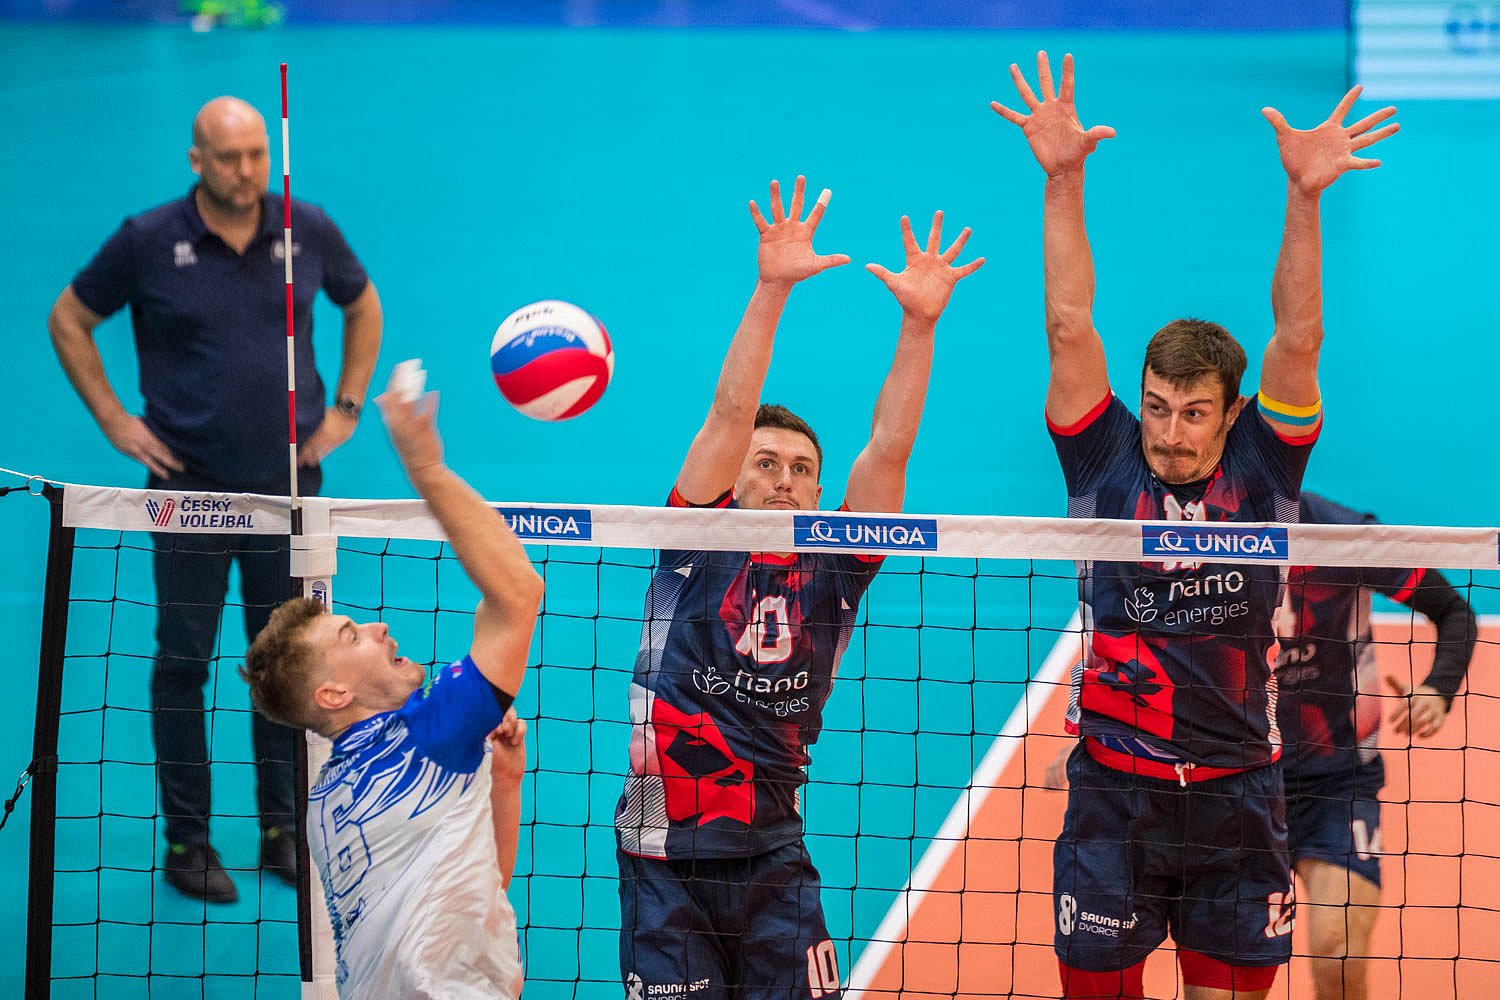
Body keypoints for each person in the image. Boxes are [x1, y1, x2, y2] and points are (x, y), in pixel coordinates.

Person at [991, 52, 1398, 998]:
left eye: (1193, 412)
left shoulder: (1267, 465)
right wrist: (1062, 179)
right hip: (1113, 798)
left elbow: (1299, 339)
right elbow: (1068, 324)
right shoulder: (1103, 458)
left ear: (1231, 412)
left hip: (1238, 799)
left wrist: (1305, 196)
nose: (1170, 433)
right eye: (1157, 407)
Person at [614, 175, 983, 999]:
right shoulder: (693, 540)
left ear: (819, 492)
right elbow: (728, 411)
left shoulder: (837, 568)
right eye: (766, 462)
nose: (784, 479)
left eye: (801, 469)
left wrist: (919, 326)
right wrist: (771, 289)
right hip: (660, 855)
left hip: (774, 854)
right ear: (734, 477)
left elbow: (888, 448)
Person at [47, 95, 382, 901]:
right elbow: (69, 318)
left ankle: (282, 828)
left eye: (258, 154)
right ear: (196, 160)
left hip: (287, 490)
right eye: (229, 158)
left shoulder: (307, 227)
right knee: (183, 663)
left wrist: (344, 409)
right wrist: (114, 420)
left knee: (289, 663)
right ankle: (188, 840)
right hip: (186, 493)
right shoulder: (146, 239)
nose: (247, 171)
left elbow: (362, 304)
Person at [242, 367, 543, 999]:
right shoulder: (424, 739)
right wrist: (427, 469)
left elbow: (480, 890)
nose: (378, 628)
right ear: (333, 695)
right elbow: (518, 593)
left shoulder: (325, 802)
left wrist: (505, 782)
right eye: (351, 636)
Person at [1277, 492, 1476, 1000]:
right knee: (1233, 980)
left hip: (1337, 781)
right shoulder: (1201, 536)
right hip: (1234, 784)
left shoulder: (1343, 534)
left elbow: (1453, 610)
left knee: (1338, 953)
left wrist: (1437, 689)